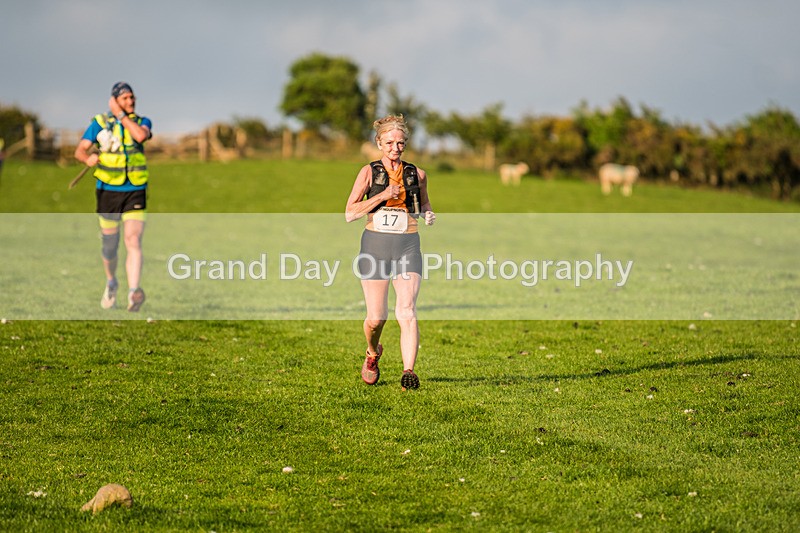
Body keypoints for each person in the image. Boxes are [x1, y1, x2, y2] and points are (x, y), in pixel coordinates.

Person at [345, 115, 436, 390]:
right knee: (376, 319)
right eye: (390, 143)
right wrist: (383, 195)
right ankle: (372, 354)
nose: (396, 148)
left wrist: (428, 214)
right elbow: (350, 213)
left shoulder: (417, 174)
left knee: (406, 310)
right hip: (375, 247)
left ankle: (409, 372)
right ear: (379, 143)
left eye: (401, 143)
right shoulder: (368, 172)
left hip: (408, 246)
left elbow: (424, 205)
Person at [74, 82, 152, 312]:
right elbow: (80, 150)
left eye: (132, 97)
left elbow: (140, 136)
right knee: (110, 246)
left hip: (135, 190)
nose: (131, 101)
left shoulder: (141, 122)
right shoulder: (99, 124)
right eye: (125, 98)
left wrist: (121, 115)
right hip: (108, 192)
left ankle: (133, 292)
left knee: (133, 240)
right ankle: (112, 283)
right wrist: (87, 159)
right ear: (115, 100)